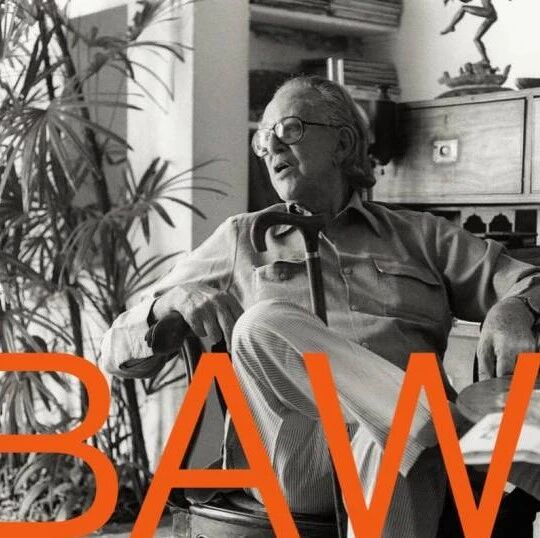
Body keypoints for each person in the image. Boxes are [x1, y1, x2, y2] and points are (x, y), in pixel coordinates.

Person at [101, 75, 540, 537]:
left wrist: (517, 307)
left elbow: (529, 280)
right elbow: (115, 350)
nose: (271, 147)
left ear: (343, 143)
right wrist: (169, 302)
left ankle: (418, 425)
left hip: (403, 457)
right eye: (263, 140)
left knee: (391, 442)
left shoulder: (422, 236)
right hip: (295, 459)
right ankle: (437, 424)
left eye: (289, 129)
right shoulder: (240, 239)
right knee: (261, 323)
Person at [440, 0, 503, 66]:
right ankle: (485, 60)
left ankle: (451, 26)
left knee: (463, 8)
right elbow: (466, 1)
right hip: (491, 16)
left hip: (488, 12)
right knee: (476, 39)